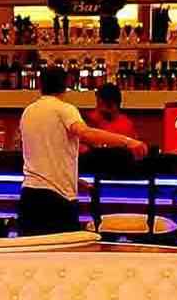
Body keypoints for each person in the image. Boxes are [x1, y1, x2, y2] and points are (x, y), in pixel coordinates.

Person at [17, 66, 146, 235]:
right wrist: (129, 142)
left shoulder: (28, 112)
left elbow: (41, 155)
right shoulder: (65, 109)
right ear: (66, 85)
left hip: (29, 196)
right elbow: (86, 133)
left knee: (32, 250)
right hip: (57, 200)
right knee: (66, 250)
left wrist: (74, 179)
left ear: (40, 84)